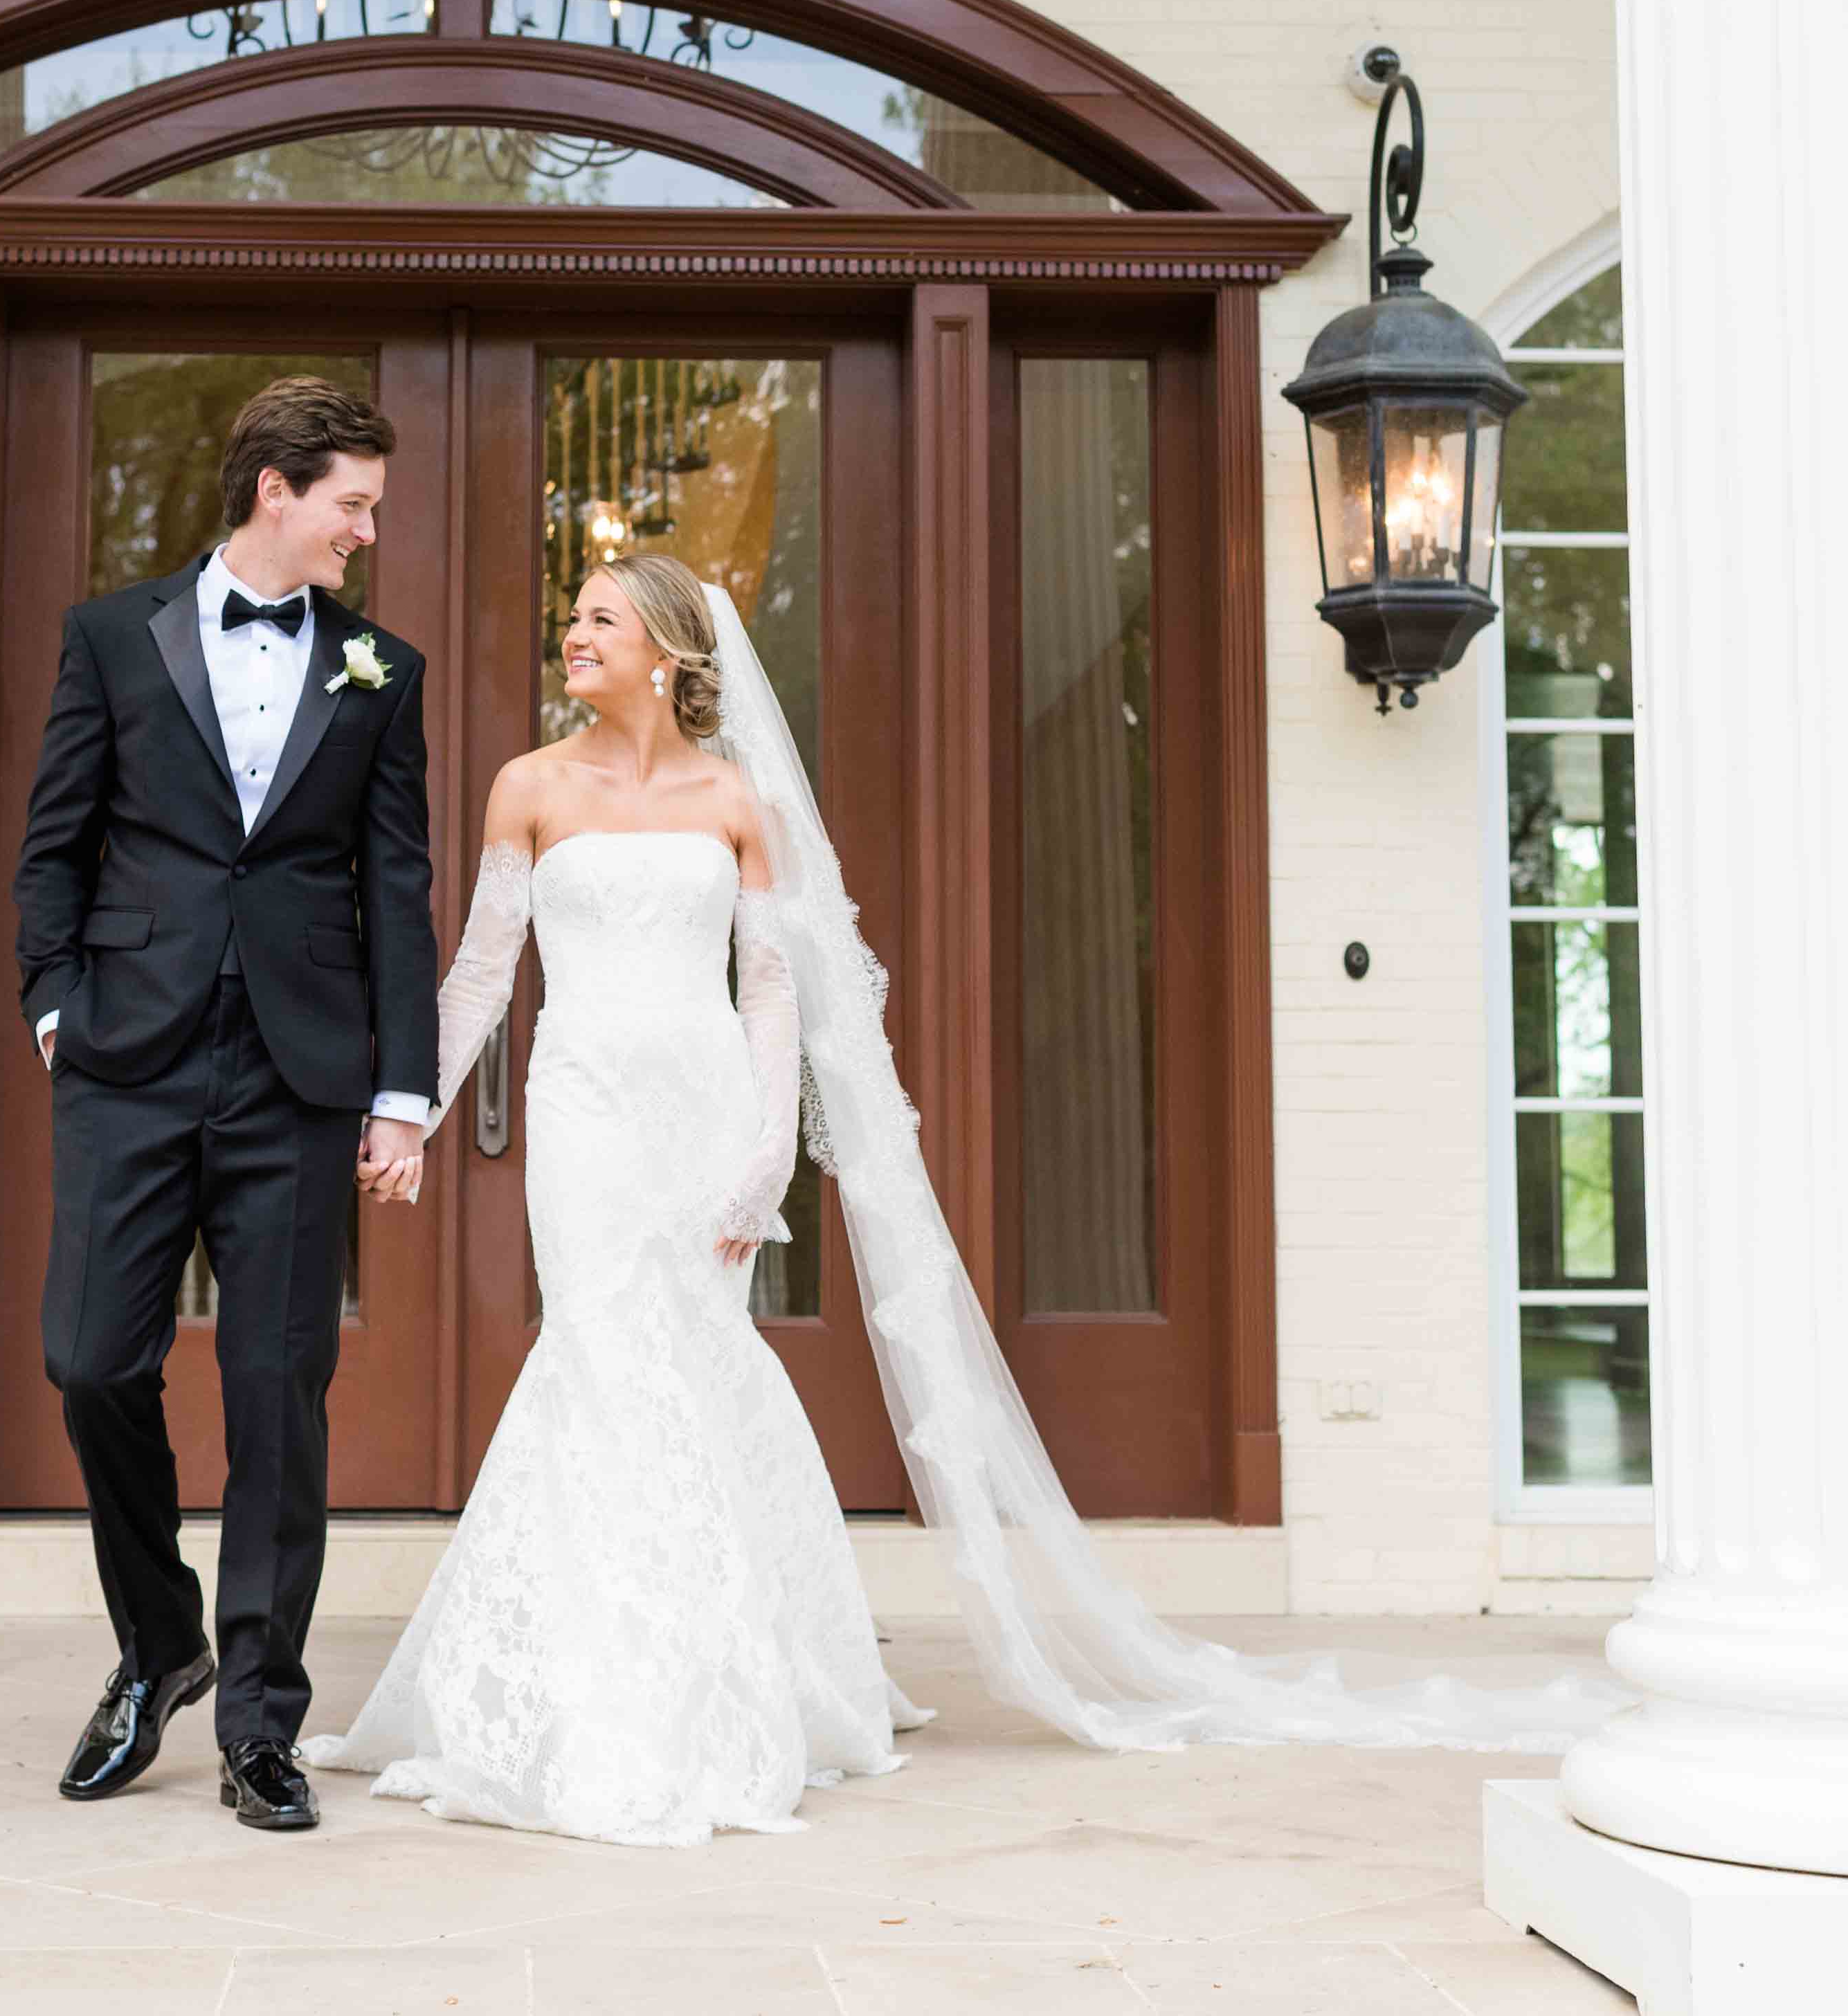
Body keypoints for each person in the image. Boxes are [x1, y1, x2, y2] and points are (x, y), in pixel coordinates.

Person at [305, 554, 1622, 1846]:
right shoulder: (528, 786)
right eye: (573, 619)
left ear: (666, 649)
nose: (573, 636)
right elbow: (482, 969)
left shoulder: (737, 803)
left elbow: (770, 994)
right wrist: (408, 1108)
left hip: (703, 1114)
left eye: (599, 620)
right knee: (597, 1355)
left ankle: (735, 1666)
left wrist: (769, 1150)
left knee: (697, 1365)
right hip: (586, 1115)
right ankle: (580, 1686)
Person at [12, 376, 437, 1835]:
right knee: (86, 1362)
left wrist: (400, 1093)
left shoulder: (385, 671)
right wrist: (55, 1002)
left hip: (300, 1080)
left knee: (276, 1398)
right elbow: (51, 845)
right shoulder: (110, 638)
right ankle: (158, 1646)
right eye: (352, 505)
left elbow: (397, 887)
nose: (365, 533)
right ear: (277, 489)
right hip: (127, 1059)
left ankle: (261, 1717)